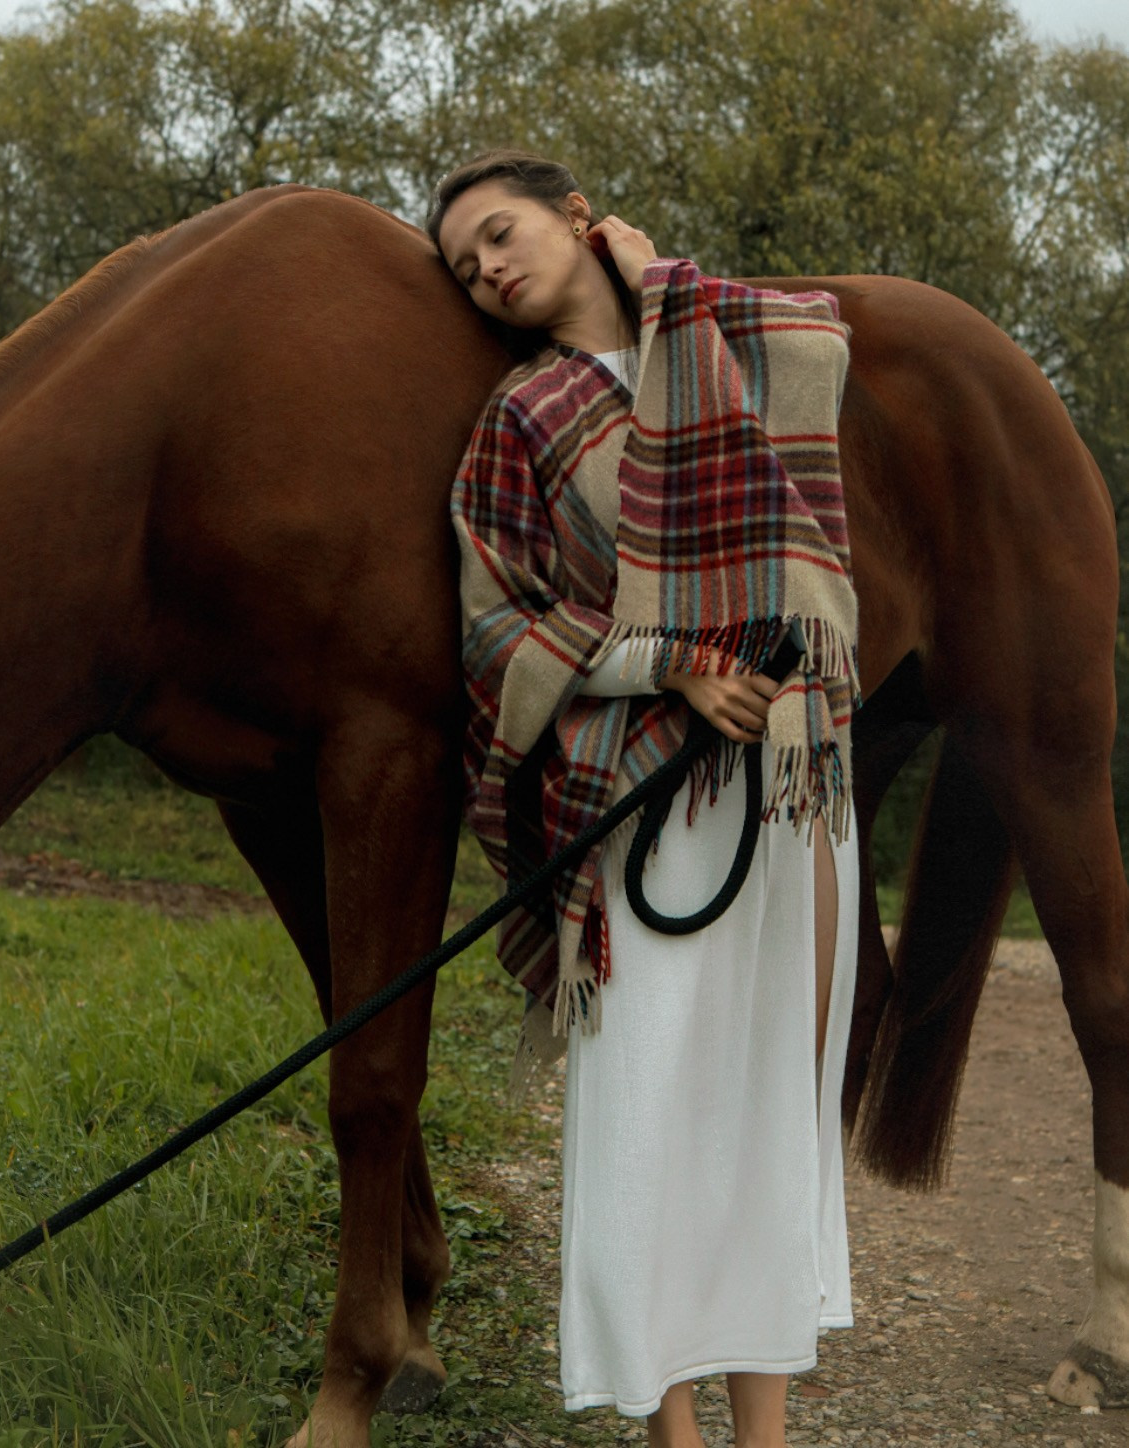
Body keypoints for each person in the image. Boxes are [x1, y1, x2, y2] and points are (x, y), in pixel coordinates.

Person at [427, 150, 860, 1448]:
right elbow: (498, 629)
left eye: (500, 234)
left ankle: (764, 1433)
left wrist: (658, 274)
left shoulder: (720, 336)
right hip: (645, 804)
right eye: (465, 267)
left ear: (574, 217)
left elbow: (823, 339)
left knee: (768, 1113)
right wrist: (670, 664)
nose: (490, 270)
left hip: (785, 782)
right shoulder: (522, 415)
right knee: (653, 1124)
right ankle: (673, 1433)